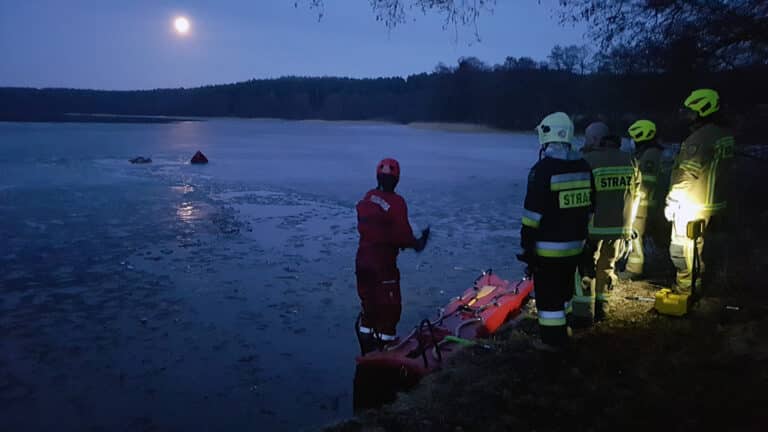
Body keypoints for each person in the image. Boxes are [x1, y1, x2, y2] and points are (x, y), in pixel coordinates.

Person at [519, 112, 593, 350]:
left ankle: (553, 344)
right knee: (565, 294)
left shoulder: (542, 170)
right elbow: (591, 208)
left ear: (547, 135)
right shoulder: (584, 166)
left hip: (548, 251)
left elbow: (532, 215)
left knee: (549, 302)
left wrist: (527, 247)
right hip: (576, 247)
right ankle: (566, 330)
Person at [355, 158, 430, 354]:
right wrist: (418, 243)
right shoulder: (397, 203)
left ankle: (366, 350)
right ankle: (385, 349)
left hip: (362, 261)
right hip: (382, 265)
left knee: (369, 305)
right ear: (397, 179)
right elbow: (403, 236)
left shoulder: (369, 196)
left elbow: (369, 225)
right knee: (390, 308)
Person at [665, 89, 734, 293]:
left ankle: (685, 287)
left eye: (691, 112)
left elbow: (687, 173)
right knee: (696, 244)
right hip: (713, 201)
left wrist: (673, 200)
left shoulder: (699, 138)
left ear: (703, 110)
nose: (688, 116)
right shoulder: (724, 135)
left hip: (692, 201)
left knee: (681, 247)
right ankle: (695, 283)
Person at [577, 133, 640, 323]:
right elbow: (637, 194)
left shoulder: (589, 160)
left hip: (594, 227)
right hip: (620, 227)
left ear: (599, 143)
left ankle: (584, 312)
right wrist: (629, 225)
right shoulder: (631, 161)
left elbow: (583, 194)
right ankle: (602, 307)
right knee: (607, 266)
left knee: (586, 268)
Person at [625, 120, 668, 279]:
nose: (632, 141)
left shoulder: (650, 155)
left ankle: (633, 270)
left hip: (643, 204)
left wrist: (635, 198)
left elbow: (646, 181)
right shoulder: (653, 153)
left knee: (635, 234)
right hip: (648, 203)